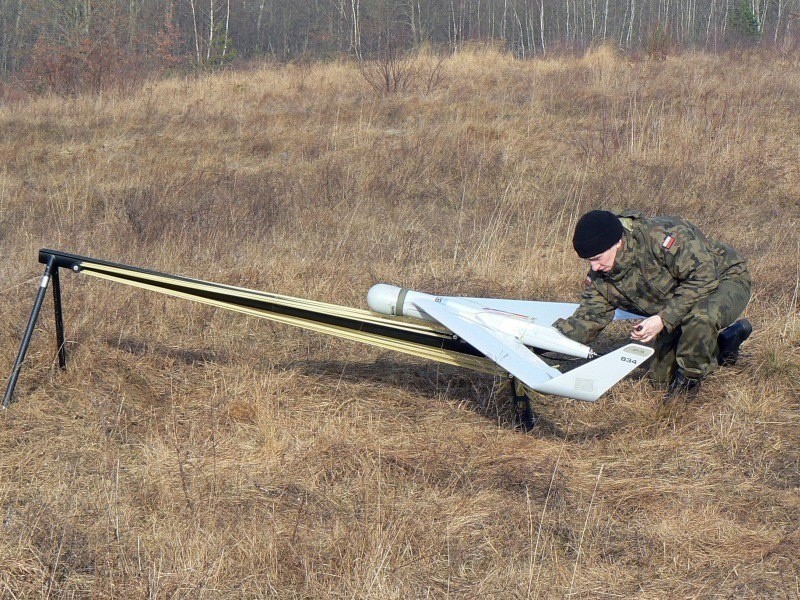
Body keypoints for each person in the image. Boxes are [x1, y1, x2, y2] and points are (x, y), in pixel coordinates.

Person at [553, 209, 752, 397]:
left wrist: (663, 319)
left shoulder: (662, 236)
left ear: (617, 243)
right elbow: (587, 319)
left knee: (701, 317)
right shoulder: (601, 277)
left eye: (597, 259)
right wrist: (544, 342)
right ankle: (725, 344)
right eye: (588, 261)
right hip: (681, 297)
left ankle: (688, 385)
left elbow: (704, 278)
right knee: (661, 379)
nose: (594, 267)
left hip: (724, 278)